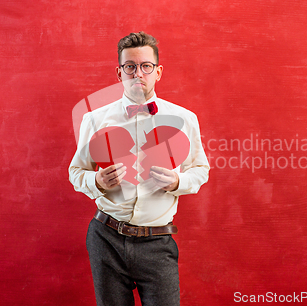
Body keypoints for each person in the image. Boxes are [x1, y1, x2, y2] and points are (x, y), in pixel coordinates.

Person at [69, 31, 210, 306]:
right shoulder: (94, 119)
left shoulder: (185, 119)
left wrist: (177, 181)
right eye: (130, 67)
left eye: (146, 66)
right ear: (119, 73)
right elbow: (76, 172)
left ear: (158, 72)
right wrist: (96, 180)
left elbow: (200, 169)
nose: (138, 74)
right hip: (105, 237)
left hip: (157, 242)